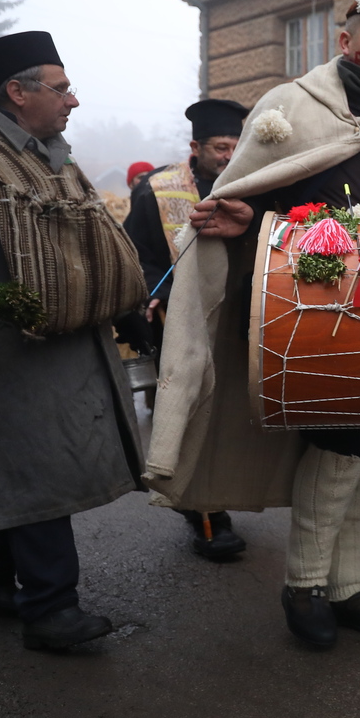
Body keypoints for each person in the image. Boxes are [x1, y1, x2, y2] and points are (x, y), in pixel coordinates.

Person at [144, 0, 360, 649]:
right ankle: (304, 587)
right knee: (337, 448)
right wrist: (243, 220)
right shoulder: (293, 108)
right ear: (346, 41)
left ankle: (349, 586)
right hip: (316, 320)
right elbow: (252, 198)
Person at [0, 31, 151, 650]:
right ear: (17, 92)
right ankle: (50, 609)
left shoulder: (49, 156)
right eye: (61, 89)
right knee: (36, 474)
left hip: (65, 346)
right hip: (1, 350)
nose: (74, 101)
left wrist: (127, 308)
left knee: (24, 473)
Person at [123, 98, 248, 559]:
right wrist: (147, 293)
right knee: (192, 411)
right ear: (196, 146)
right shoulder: (156, 189)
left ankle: (219, 500)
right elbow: (138, 254)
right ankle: (206, 516)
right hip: (178, 317)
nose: (229, 156)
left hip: (235, 318)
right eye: (220, 147)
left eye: (237, 145)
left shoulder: (250, 184)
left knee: (226, 414)